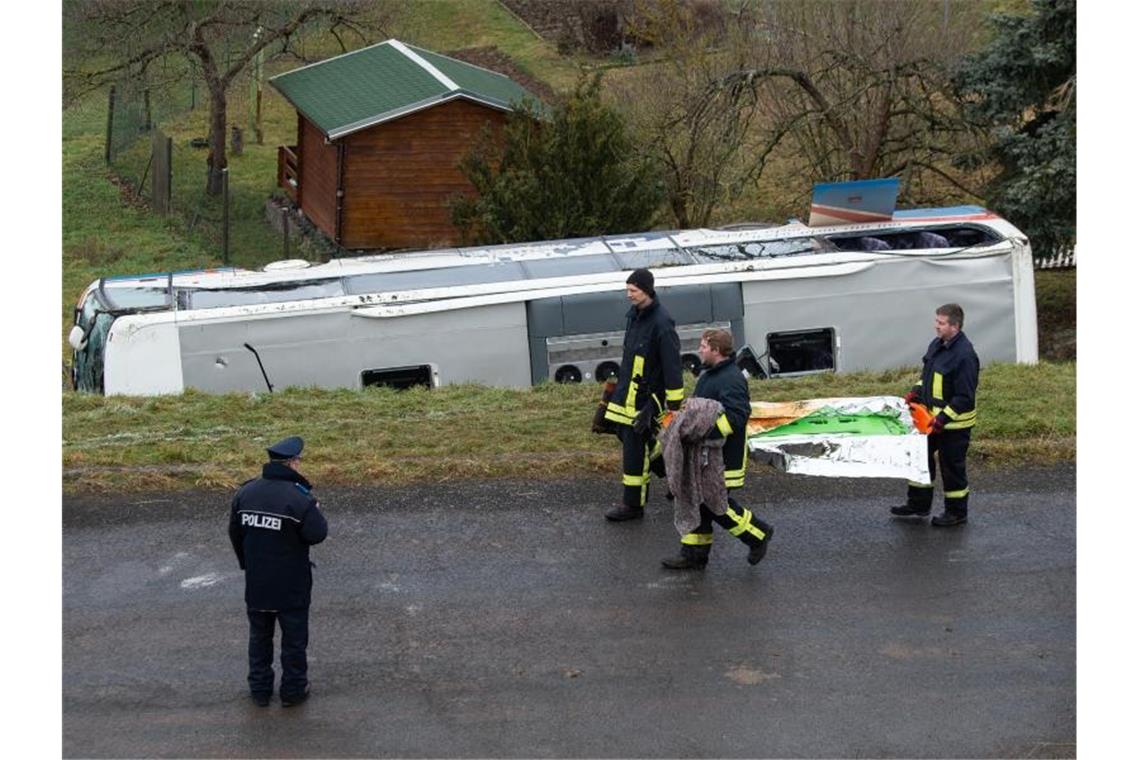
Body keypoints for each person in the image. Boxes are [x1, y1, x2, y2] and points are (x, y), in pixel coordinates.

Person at [660, 328, 774, 569]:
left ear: (716, 350)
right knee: (698, 502)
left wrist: (704, 433)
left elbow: (737, 415)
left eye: (703, 346)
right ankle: (694, 554)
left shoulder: (731, 379)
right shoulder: (709, 375)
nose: (699, 350)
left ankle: (758, 534)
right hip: (704, 456)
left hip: (723, 459)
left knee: (715, 505)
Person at [229, 435, 328, 707]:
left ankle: (260, 690)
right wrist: (316, 510)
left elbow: (235, 534)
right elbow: (317, 534)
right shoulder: (299, 498)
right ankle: (293, 690)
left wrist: (249, 565)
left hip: (258, 582)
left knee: (259, 638)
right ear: (293, 463)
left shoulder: (246, 493)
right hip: (291, 584)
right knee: (293, 640)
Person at [602, 268, 685, 521]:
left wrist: (672, 405)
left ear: (647, 290)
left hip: (649, 399)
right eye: (627, 290)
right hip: (628, 393)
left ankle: (633, 505)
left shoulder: (662, 322)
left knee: (635, 448)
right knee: (644, 442)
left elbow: (672, 367)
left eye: (633, 290)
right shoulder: (634, 317)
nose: (629, 295)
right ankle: (678, 484)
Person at [892, 303, 979, 527]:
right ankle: (918, 505)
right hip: (929, 421)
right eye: (936, 321)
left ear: (955, 326)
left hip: (953, 426)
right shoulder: (937, 345)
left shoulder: (965, 356)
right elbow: (927, 376)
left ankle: (957, 513)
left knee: (952, 470)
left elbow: (964, 397)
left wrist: (943, 419)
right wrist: (916, 391)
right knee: (920, 461)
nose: (936, 326)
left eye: (941, 323)